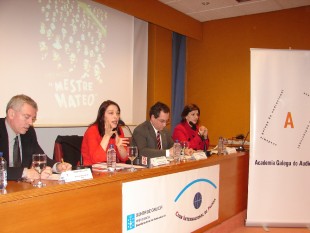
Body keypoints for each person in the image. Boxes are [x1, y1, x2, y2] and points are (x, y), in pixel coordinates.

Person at [0, 94, 72, 181]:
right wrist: (25, 172)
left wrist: (58, 167)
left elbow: (39, 157)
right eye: (27, 117)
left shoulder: (28, 132)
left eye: (33, 119)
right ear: (11, 114)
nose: (30, 123)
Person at [81, 100, 129, 165]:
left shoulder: (118, 129)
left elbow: (125, 158)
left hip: (112, 170)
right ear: (102, 116)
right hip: (92, 171)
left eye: (117, 113)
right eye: (111, 113)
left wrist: (120, 146)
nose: (116, 116)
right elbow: (96, 160)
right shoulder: (92, 130)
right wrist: (107, 136)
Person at [132, 102, 175, 166]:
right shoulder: (140, 130)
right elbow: (143, 152)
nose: (165, 124)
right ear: (153, 117)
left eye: (167, 121)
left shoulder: (165, 131)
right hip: (144, 168)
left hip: (162, 166)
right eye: (162, 121)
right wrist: (167, 152)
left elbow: (172, 146)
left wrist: (182, 150)